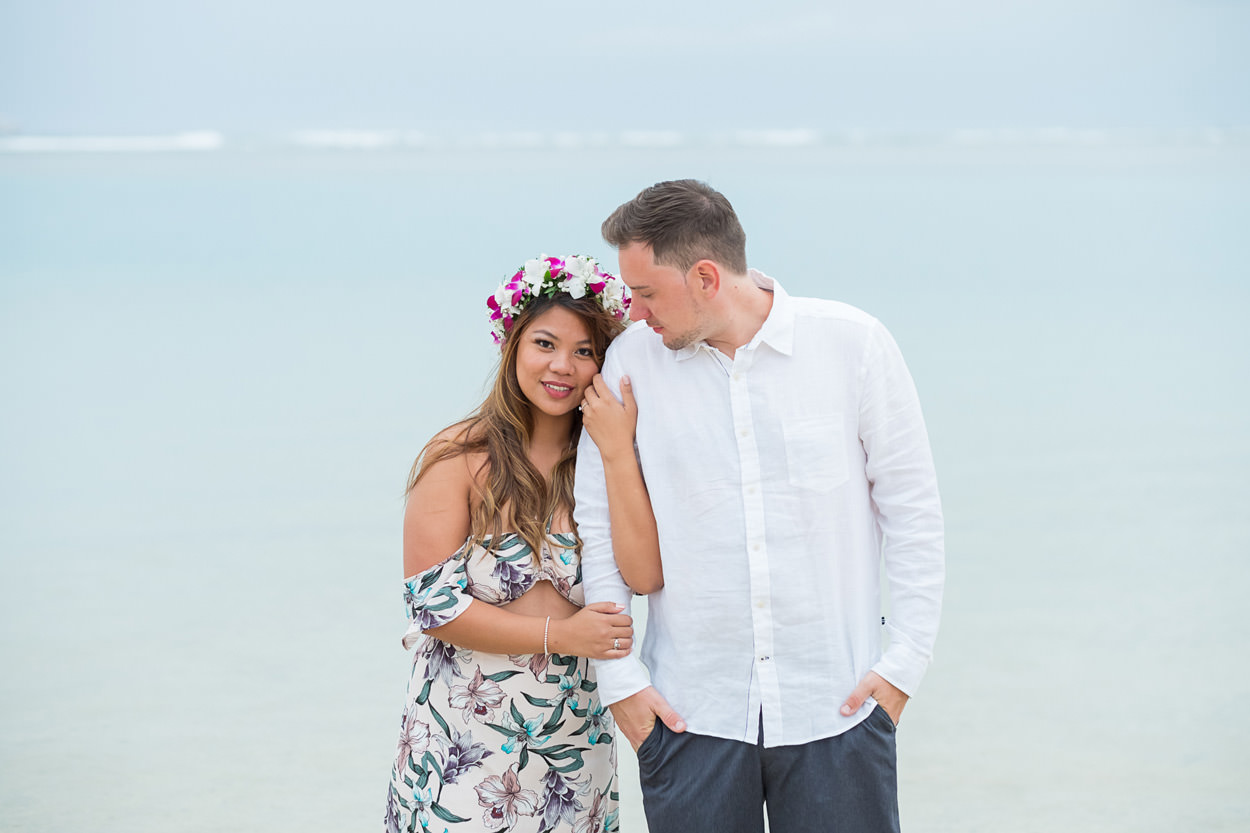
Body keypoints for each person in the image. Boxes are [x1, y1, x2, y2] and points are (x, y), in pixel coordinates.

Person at [574, 181, 945, 833]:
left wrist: (903, 666)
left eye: (647, 293)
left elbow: (912, 511)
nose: (634, 313)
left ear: (707, 276)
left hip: (839, 710)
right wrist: (621, 682)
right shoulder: (632, 361)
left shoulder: (853, 346)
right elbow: (597, 524)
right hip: (688, 717)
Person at [384, 255, 659, 833]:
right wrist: (562, 634)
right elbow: (431, 605)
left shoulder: (608, 461)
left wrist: (615, 451)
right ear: (511, 345)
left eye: (585, 351)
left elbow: (645, 575)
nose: (562, 366)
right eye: (544, 343)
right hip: (460, 747)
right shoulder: (458, 456)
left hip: (573, 747)